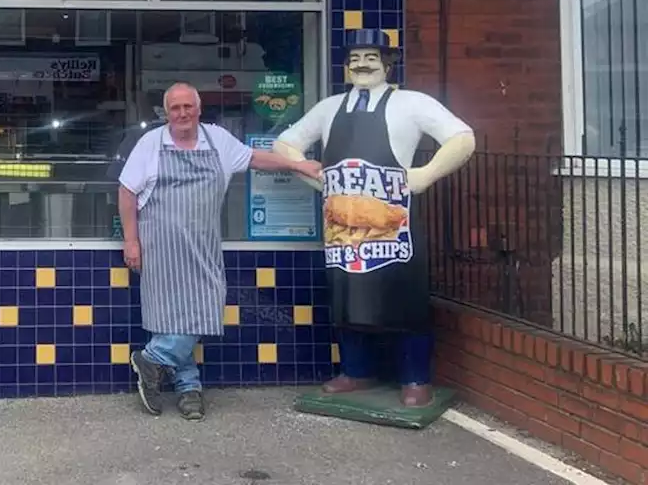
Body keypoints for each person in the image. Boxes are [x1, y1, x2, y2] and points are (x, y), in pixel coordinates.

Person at [273, 28, 475, 407]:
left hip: (396, 229)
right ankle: (355, 372)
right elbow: (284, 144)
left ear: (387, 62)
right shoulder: (329, 108)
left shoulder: (412, 103)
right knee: (346, 298)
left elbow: (462, 137)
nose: (362, 64)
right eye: (355, 58)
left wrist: (424, 175)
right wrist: (316, 176)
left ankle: (415, 378)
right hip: (342, 228)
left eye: (370, 57)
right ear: (346, 65)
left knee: (405, 300)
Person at [117, 83, 321, 421]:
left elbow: (255, 158)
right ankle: (188, 388)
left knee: (206, 303)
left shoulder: (218, 140)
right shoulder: (151, 144)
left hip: (203, 245)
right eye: (175, 108)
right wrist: (131, 240)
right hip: (160, 245)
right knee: (170, 314)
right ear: (166, 113)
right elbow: (126, 191)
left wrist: (297, 166)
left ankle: (153, 359)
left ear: (198, 109)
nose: (182, 113)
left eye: (187, 107)